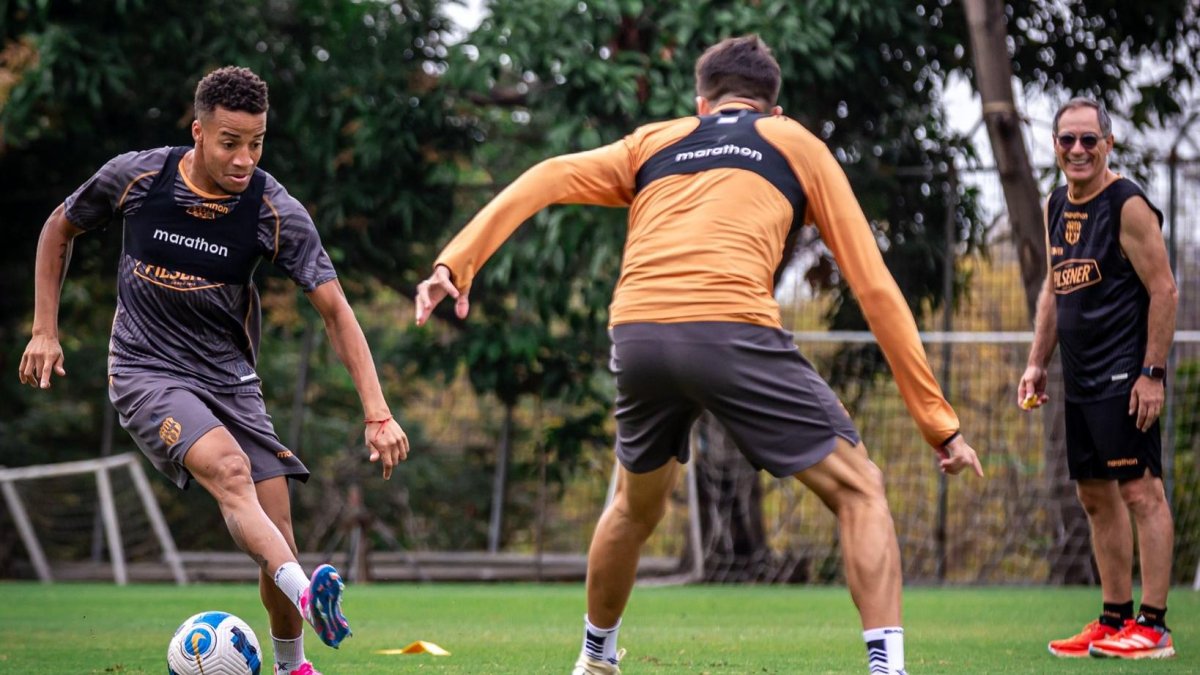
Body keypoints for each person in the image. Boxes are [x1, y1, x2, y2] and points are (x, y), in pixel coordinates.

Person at [415, 35, 982, 675]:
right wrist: (939, 424)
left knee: (634, 505)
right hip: (731, 331)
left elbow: (546, 176)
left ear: (700, 102)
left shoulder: (655, 141)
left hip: (637, 334)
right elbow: (874, 287)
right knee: (861, 490)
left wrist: (453, 263)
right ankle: (887, 668)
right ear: (771, 106)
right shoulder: (794, 142)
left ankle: (594, 657)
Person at [17, 66, 409, 675]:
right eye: (230, 142)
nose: (244, 158)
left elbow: (336, 311)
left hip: (231, 382)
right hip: (146, 371)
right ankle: (309, 597)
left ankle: (291, 666)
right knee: (229, 473)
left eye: (256, 142)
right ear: (197, 132)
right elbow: (57, 228)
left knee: (276, 532)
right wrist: (45, 329)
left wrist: (378, 412)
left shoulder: (272, 209)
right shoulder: (138, 176)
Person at [1019, 97, 1177, 660]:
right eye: (1068, 140)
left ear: (1108, 144)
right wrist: (1038, 360)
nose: (1078, 150)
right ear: (1056, 146)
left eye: (1089, 140)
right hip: (1079, 379)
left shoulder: (1127, 204)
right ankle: (1113, 619)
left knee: (1141, 491)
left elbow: (1165, 289)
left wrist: (1152, 374)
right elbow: (1054, 286)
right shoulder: (1056, 203)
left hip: (1126, 375)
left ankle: (1153, 627)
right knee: (1094, 495)